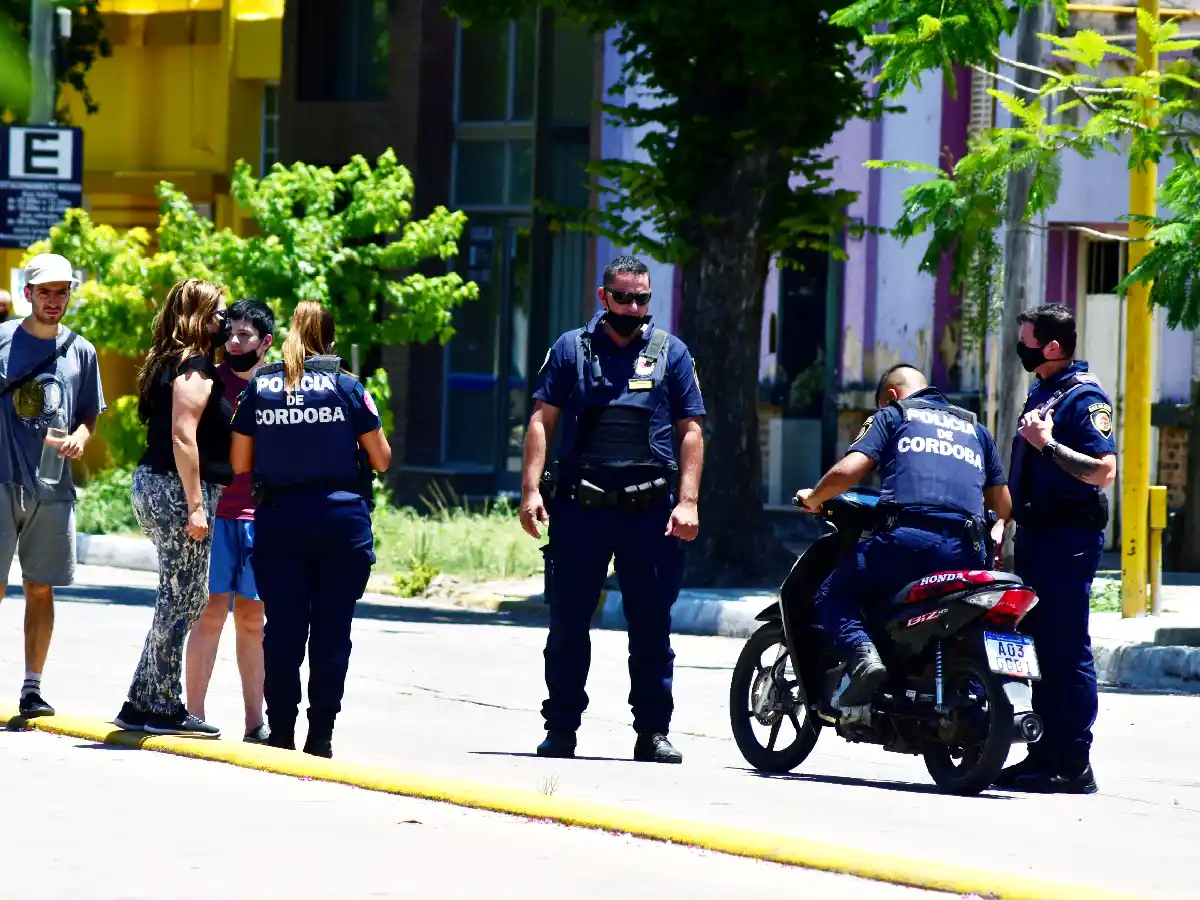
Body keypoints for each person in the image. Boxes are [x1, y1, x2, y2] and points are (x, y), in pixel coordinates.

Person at [520, 255, 706, 764]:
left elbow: (691, 430)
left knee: (652, 627)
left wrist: (688, 501)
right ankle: (561, 729)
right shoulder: (571, 349)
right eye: (623, 298)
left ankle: (653, 732)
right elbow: (541, 420)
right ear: (603, 297)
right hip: (581, 508)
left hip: (649, 512)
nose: (633, 307)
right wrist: (531, 490)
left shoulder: (671, 352)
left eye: (642, 298)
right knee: (568, 624)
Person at [796, 363, 1011, 706]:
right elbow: (1003, 504)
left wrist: (815, 497)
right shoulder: (976, 429)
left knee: (832, 593)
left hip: (909, 541)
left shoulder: (895, 415)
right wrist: (995, 529)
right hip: (968, 551)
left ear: (891, 396)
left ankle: (863, 658)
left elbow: (850, 470)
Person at [230, 301, 391, 759]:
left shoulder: (261, 387)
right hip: (342, 523)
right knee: (331, 631)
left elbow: (240, 463)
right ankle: (321, 736)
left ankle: (280, 732)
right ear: (331, 340)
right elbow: (381, 460)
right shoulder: (347, 386)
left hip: (280, 519)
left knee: (282, 630)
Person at [994, 303, 1116, 795]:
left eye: (1026, 341)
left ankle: (1073, 762)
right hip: (1038, 537)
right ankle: (1042, 755)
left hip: (1068, 541)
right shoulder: (1044, 390)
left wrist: (1047, 444)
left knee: (1066, 649)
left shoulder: (1084, 398)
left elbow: (1104, 471)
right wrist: (1003, 521)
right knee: (1039, 648)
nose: (1020, 349)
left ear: (1051, 347)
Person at [114, 278, 233, 737]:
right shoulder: (193, 366)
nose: (225, 321)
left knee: (185, 595)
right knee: (180, 598)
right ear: (199, 316)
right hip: (176, 489)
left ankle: (140, 700)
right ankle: (163, 705)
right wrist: (196, 506)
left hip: (161, 485)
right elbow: (184, 437)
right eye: (219, 313)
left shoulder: (169, 361)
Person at [0, 253, 105, 718]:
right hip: (2, 478)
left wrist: (81, 437)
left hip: (52, 485)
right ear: (28, 293)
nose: (54, 300)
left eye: (61, 292)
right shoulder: (3, 339)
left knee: (40, 587)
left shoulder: (82, 350)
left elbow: (88, 413)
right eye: (45, 292)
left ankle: (32, 688)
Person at [185, 298, 275, 744]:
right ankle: (193, 713)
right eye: (231, 333)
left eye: (245, 335)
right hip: (215, 512)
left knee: (253, 619)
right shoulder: (207, 382)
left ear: (266, 342)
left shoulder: (278, 387)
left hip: (261, 516)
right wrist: (193, 506)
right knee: (211, 611)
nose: (235, 342)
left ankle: (255, 723)